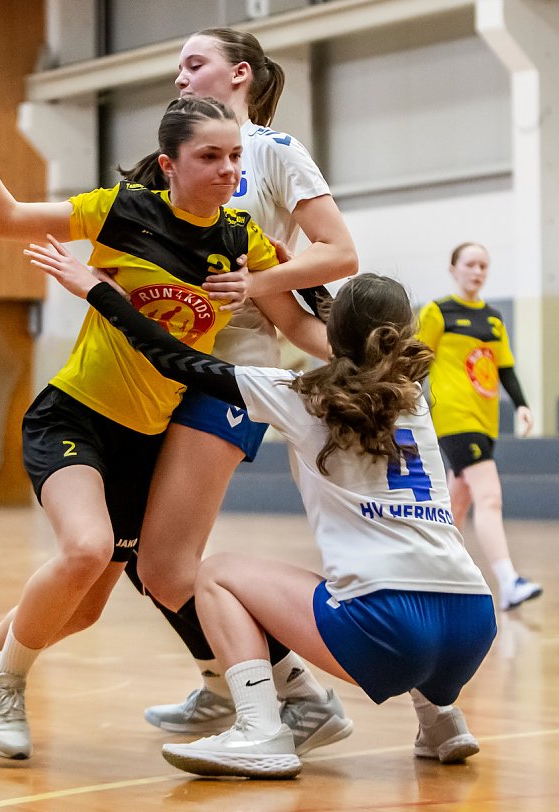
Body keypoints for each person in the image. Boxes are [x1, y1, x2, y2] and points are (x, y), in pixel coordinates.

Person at [0, 96, 331, 760]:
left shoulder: (240, 239)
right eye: (210, 157)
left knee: (82, 606)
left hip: (145, 438)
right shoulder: (123, 211)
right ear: (169, 165)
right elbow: (4, 218)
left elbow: (295, 320)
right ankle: (3, 681)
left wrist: (361, 359)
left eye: (235, 157)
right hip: (75, 415)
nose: (229, 170)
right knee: (83, 548)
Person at [27, 243, 498, 779]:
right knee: (410, 573)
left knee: (212, 574)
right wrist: (292, 276)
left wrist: (97, 292)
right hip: (472, 622)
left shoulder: (297, 394)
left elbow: (170, 354)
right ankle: (441, 721)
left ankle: (259, 731)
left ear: (333, 334)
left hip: (388, 629)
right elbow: (356, 337)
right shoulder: (416, 397)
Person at [127, 27, 359, 754]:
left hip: (233, 370)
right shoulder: (172, 159)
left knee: (162, 562)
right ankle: (254, 687)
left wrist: (259, 282)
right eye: (177, 63)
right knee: (140, 552)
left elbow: (341, 251)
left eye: (193, 62)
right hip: (158, 369)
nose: (179, 73)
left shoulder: (273, 152)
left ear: (240, 75)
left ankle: (277, 697)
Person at [417, 243, 542, 612]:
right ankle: (508, 582)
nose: (477, 271)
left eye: (483, 265)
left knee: (457, 503)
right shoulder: (438, 311)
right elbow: (418, 361)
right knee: (489, 496)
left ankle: (433, 580)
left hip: (485, 421)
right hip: (454, 416)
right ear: (453, 268)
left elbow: (505, 368)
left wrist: (521, 404)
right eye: (470, 264)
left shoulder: (493, 318)